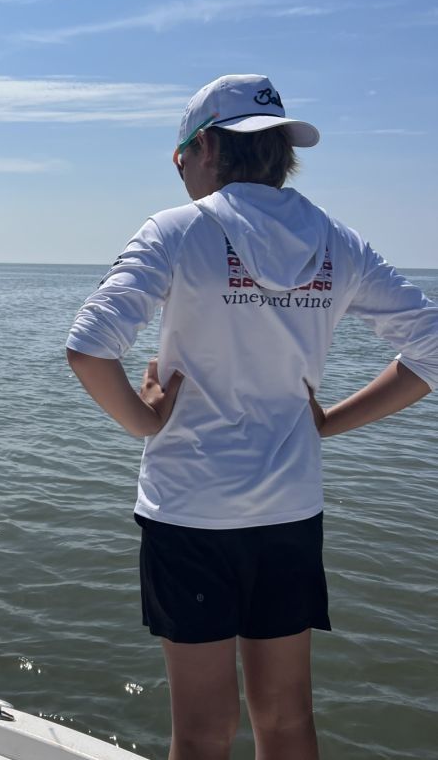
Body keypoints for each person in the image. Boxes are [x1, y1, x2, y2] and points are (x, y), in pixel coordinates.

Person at [65, 74, 438, 760]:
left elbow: (89, 347)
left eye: (181, 156)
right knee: (288, 720)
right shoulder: (338, 241)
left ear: (207, 147)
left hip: (189, 512)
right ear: (279, 151)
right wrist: (329, 422)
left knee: (203, 730)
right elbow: (432, 346)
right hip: (291, 510)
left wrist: (145, 420)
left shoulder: (177, 231)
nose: (180, 171)